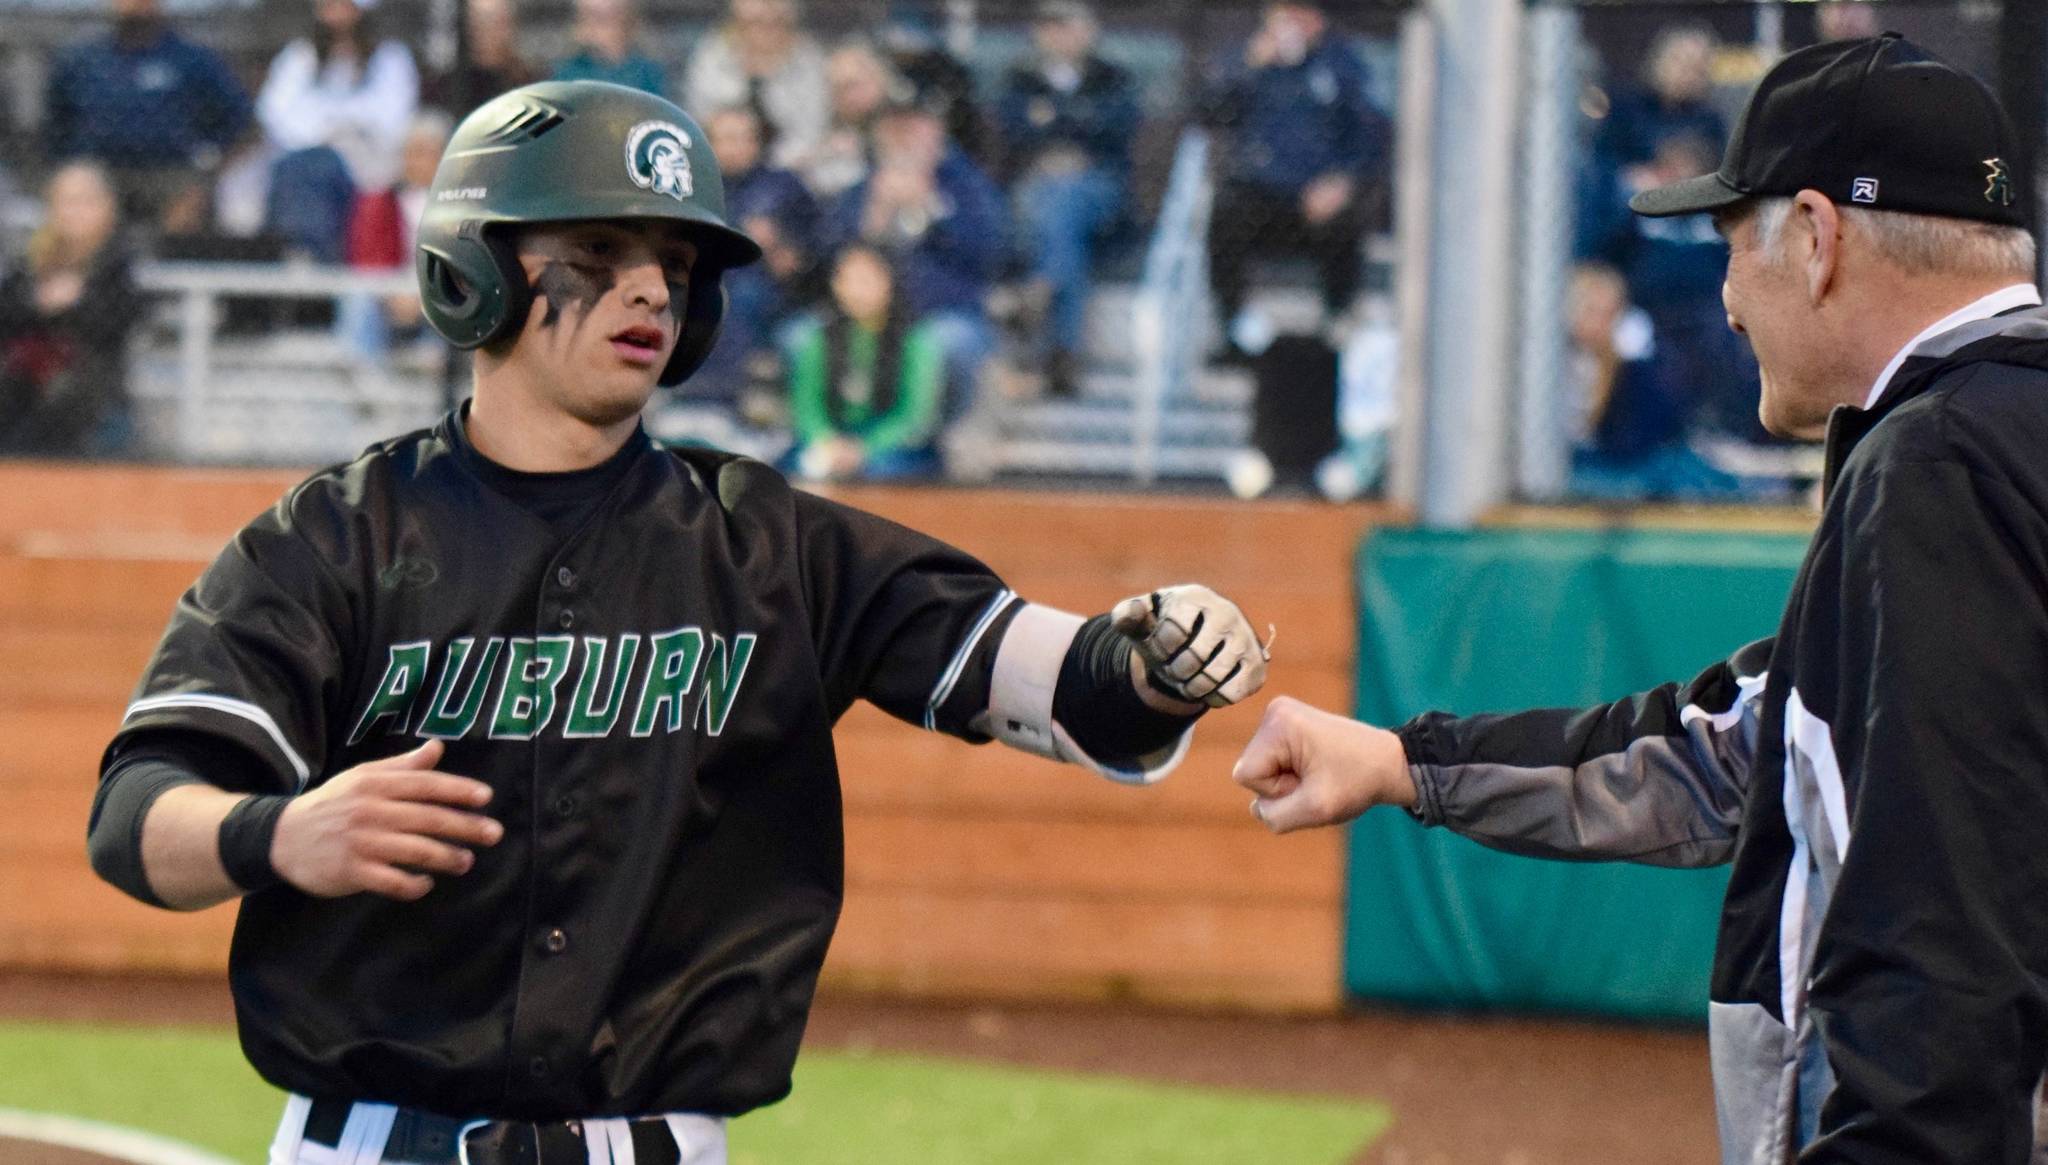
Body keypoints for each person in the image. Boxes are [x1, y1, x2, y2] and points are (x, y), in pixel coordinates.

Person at [84, 80, 1270, 1165]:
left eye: (674, 262)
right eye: (598, 250)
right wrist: (278, 833)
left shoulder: (770, 544)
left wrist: (1156, 656)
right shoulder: (332, 539)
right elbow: (137, 814)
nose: (651, 287)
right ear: (476, 267)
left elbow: (1064, 678)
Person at [1232, 35, 2048, 1163]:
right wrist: (1398, 761)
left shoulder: (1938, 467)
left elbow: (1937, 931)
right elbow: (1730, 753)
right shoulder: (1981, 446)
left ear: (1815, 239)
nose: (1721, 301)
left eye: (1728, 247)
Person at [1202, 0, 1389, 363]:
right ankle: (1234, 330)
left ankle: (1336, 326)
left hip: (1319, 197)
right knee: (1225, 215)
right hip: (1262, 194)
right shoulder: (1247, 61)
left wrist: (1342, 180)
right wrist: (1247, 68)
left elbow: (1371, 134)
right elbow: (1209, 113)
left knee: (1345, 224)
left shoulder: (1341, 64)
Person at [826, 91, 1006, 428]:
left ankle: (944, 441)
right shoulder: (862, 188)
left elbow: (990, 254)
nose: (902, 135)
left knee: (947, 344)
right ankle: (840, 440)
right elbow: (828, 258)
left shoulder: (965, 184)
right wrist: (875, 214)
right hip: (869, 322)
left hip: (945, 315)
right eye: (892, 125)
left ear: (937, 129)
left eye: (913, 124)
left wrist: (932, 208)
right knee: (802, 338)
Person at [995, 0, 1141, 397]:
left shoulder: (1113, 77)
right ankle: (1063, 351)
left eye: (1067, 24)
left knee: (1064, 201)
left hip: (1100, 191)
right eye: (1050, 25)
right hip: (1033, 191)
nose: (1058, 34)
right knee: (1059, 220)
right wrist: (1075, 124)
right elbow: (1015, 130)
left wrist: (1054, 124)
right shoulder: (1019, 78)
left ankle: (1039, 295)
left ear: (1089, 30)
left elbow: (1117, 126)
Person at [41, 0, 252, 233]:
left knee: (182, 227)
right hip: (99, 178)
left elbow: (243, 124)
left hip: (171, 178)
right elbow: (53, 127)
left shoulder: (192, 59)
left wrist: (204, 179)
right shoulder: (81, 60)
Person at [255, 0, 421, 261]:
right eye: (330, 6)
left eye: (344, 6)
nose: (337, 17)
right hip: (306, 161)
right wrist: (325, 133)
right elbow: (275, 113)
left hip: (366, 165)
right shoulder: (299, 56)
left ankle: (317, 259)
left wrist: (344, 128)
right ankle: (300, 255)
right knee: (306, 168)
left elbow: (395, 117)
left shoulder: (391, 57)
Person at [1562, 263, 1739, 501]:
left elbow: (1638, 437)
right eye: (1593, 311)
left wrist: (1623, 364)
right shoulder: (1552, 363)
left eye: (1611, 314)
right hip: (1578, 465)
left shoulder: (1632, 367)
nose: (1604, 323)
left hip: (1620, 462)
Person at [0, 162, 140, 456]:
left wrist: (77, 302)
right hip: (21, 386)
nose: (74, 212)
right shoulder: (31, 260)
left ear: (107, 207)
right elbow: (7, 316)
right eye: (66, 201)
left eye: (85, 202)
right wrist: (37, 302)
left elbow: (114, 325)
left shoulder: (121, 263)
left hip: (89, 396)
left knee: (69, 393)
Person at [688, 104, 821, 403]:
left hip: (778, 291)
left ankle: (738, 395)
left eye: (743, 138)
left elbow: (819, 245)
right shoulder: (692, 187)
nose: (735, 147)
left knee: (745, 294)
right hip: (708, 285)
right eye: (726, 138)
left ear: (757, 142)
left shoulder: (784, 185)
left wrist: (785, 248)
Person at [788, 244, 943, 481]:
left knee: (882, 475)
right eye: (847, 279)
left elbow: (914, 415)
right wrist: (825, 440)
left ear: (888, 282)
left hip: (890, 444)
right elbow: (807, 405)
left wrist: (866, 448)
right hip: (835, 436)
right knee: (792, 468)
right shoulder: (818, 339)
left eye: (866, 279)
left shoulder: (914, 341)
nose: (856, 290)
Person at [337, 110, 454, 363]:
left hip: (439, 290)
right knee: (358, 298)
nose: (416, 161)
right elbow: (367, 257)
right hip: (390, 287)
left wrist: (425, 295)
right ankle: (365, 382)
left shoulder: (460, 206)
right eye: (411, 152)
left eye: (426, 153)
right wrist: (393, 294)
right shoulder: (379, 201)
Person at [682, 0, 829, 172]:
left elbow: (812, 131)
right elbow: (700, 119)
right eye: (755, 21)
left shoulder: (808, 61)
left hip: (794, 168)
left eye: (775, 21)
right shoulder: (712, 56)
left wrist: (771, 168)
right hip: (720, 162)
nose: (764, 30)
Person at [800, 39, 903, 200]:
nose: (846, 97)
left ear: (879, 80)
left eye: (852, 85)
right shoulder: (826, 139)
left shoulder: (915, 128)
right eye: (837, 89)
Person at [424, 0, 538, 118]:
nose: (477, 32)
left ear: (509, 25)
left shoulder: (531, 84)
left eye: (488, 20)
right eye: (472, 23)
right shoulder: (444, 88)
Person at [551, 0, 666, 97]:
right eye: (588, 17)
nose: (592, 27)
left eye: (602, 19)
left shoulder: (647, 72)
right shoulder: (568, 72)